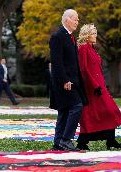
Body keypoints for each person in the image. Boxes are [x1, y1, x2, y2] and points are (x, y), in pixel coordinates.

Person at [76, 24, 121, 150]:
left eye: (95, 32)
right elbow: (83, 69)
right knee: (93, 114)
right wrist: (94, 85)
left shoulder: (92, 49)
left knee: (109, 111)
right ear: (86, 35)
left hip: (99, 86)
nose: (95, 35)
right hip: (92, 88)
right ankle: (82, 142)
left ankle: (110, 140)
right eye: (92, 33)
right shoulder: (83, 48)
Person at [49, 9, 88, 151]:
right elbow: (57, 61)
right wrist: (65, 80)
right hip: (64, 82)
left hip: (72, 81)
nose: (77, 22)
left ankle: (58, 142)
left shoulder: (70, 36)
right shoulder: (58, 36)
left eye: (78, 19)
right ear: (67, 20)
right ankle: (66, 140)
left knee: (64, 111)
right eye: (75, 19)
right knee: (77, 106)